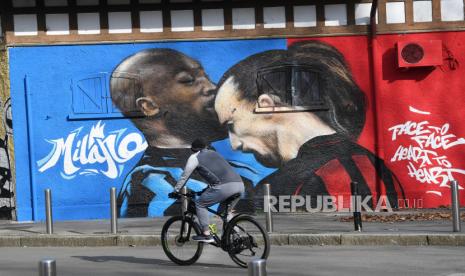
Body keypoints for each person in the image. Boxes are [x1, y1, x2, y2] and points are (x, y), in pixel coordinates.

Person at [214, 40, 404, 209]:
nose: (234, 144)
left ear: (267, 105)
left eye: (231, 124)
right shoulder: (375, 166)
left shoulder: (281, 187)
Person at [110, 48, 228, 217]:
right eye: (188, 80)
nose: (213, 88)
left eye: (207, 78)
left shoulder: (206, 158)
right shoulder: (150, 183)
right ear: (149, 107)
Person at [171, 138, 245, 242]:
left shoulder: (194, 157)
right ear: (206, 147)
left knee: (200, 204)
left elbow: (184, 176)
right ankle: (237, 237)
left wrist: (176, 191)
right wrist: (204, 190)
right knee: (224, 212)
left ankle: (206, 234)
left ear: (193, 149)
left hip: (224, 187)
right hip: (240, 185)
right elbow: (217, 175)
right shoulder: (214, 153)